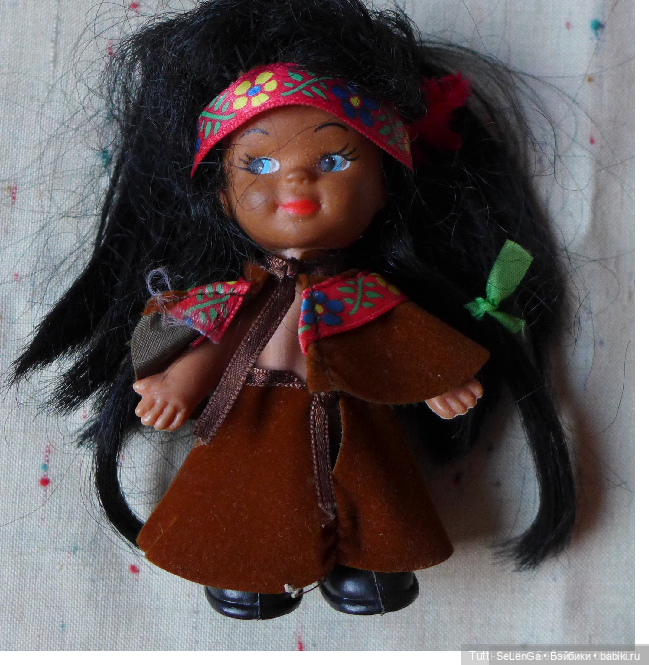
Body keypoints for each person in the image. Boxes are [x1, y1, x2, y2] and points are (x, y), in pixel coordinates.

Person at [13, 0, 575, 620]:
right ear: (222, 197)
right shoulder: (232, 297)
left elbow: (400, 339)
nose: (296, 185)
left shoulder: (366, 296)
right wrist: (179, 381)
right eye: (259, 165)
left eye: (333, 161)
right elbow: (221, 344)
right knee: (249, 501)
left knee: (371, 490)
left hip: (355, 412)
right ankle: (248, 571)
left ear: (383, 187)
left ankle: (369, 564)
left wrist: (438, 379)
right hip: (254, 418)